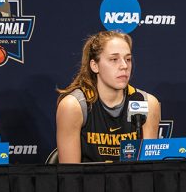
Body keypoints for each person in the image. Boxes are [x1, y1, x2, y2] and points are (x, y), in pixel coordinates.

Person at [56, 30, 160, 163]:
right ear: (94, 66)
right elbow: (70, 177)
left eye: (128, 59)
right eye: (114, 59)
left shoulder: (148, 103)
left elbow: (149, 171)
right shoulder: (73, 106)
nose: (124, 66)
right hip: (88, 183)